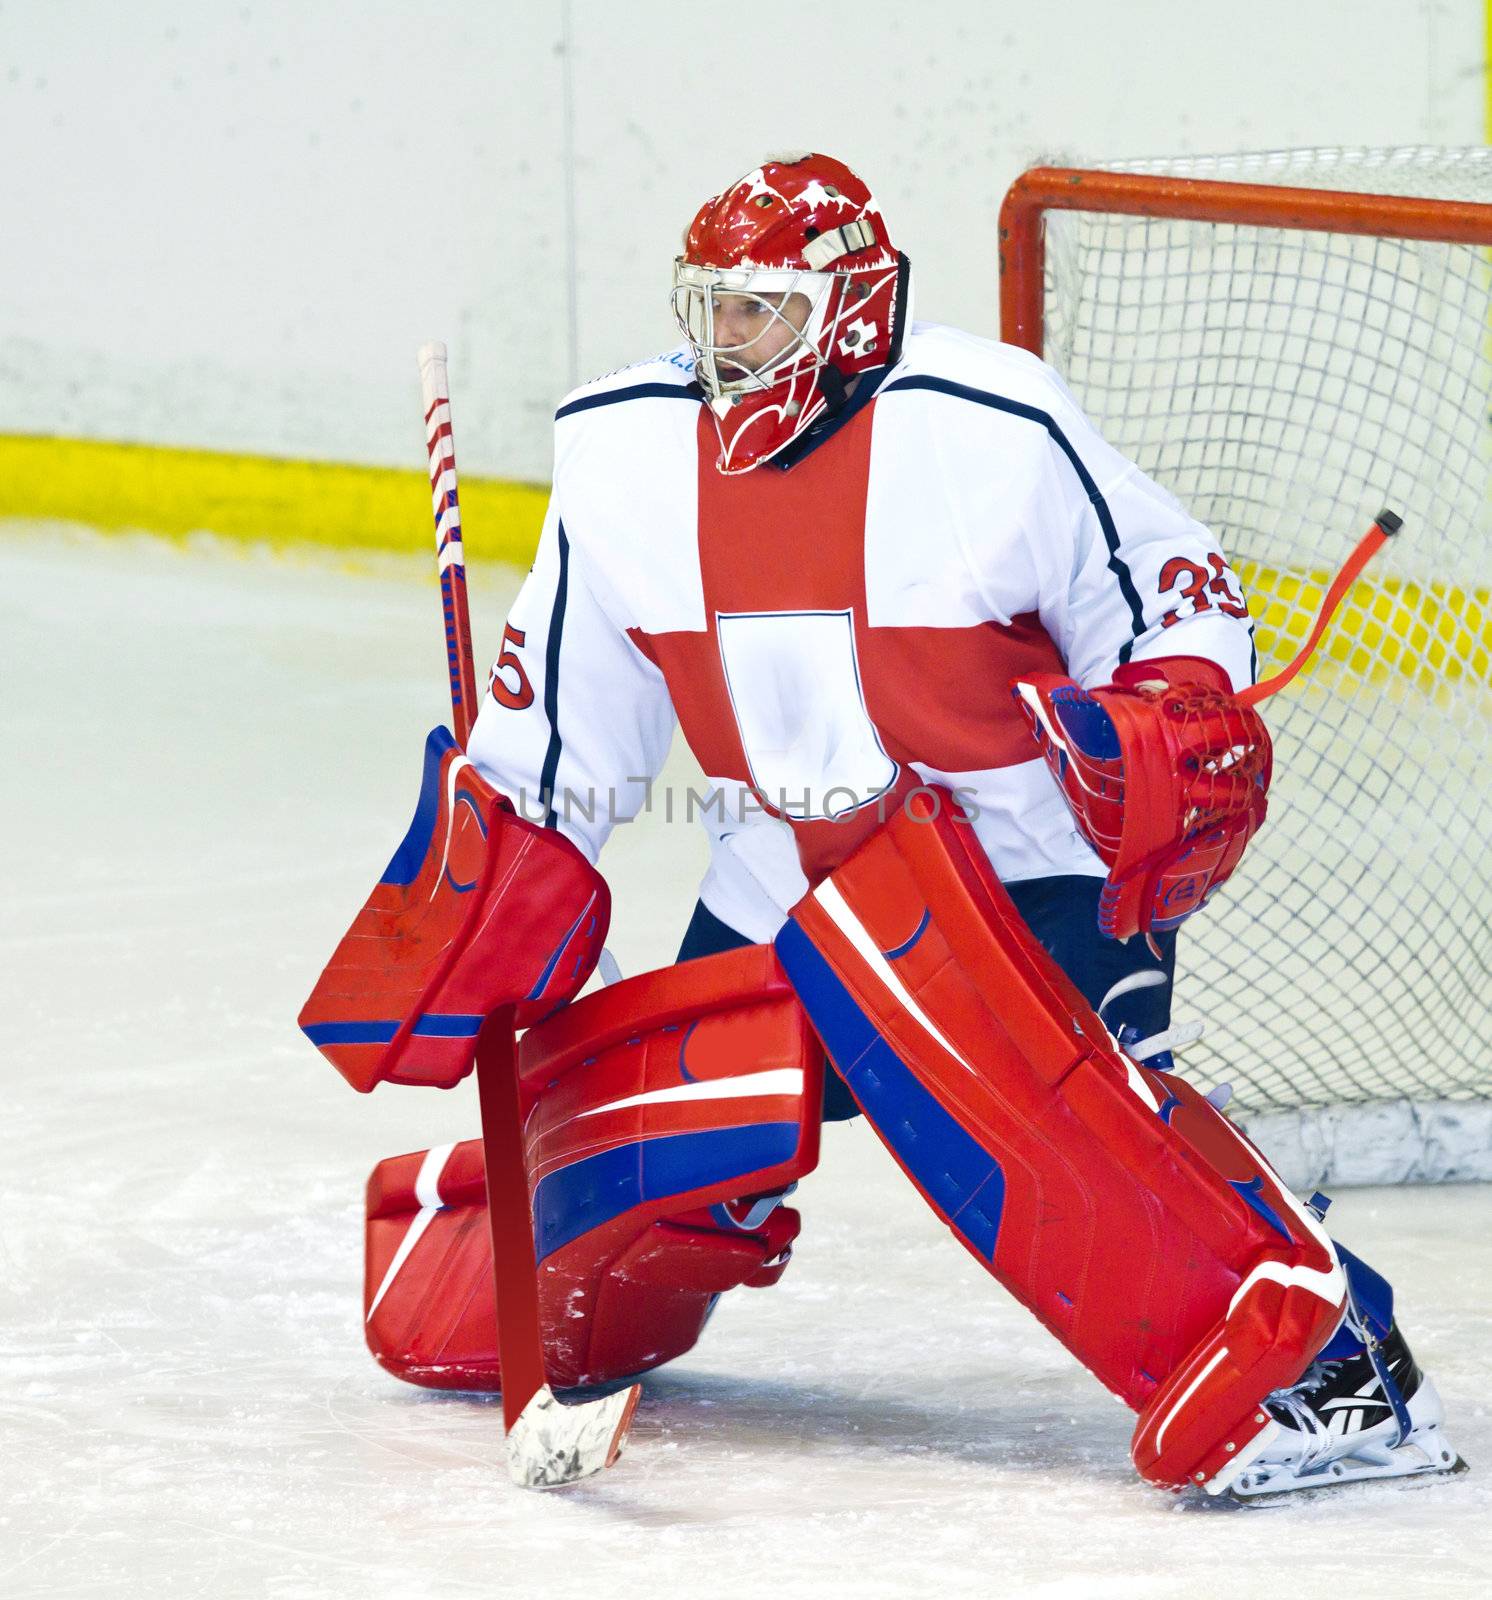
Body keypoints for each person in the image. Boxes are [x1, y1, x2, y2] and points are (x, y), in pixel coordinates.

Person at [461, 151, 1460, 1497]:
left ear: (851, 310)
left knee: (1054, 1140)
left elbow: (1173, 595)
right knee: (649, 1144)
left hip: (1020, 861)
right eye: (709, 309)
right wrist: (502, 860)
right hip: (781, 870)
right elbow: (563, 723)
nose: (723, 345)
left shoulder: (993, 425)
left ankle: (1334, 1376)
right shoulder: (625, 453)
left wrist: (1171, 709)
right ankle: (506, 1293)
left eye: (759, 312)